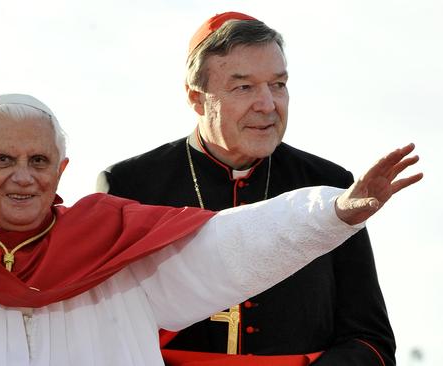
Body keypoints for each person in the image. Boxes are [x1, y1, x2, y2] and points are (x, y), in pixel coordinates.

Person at [0, 63, 420, 366]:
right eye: (2, 159)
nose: (22, 175)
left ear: (63, 171)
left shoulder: (112, 246)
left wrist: (335, 212)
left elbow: (227, 246)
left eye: (39, 159)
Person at [98, 11, 403, 366]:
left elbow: (370, 341)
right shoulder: (130, 186)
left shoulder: (329, 185)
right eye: (244, 87)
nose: (268, 105)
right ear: (197, 98)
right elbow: (106, 333)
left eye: (278, 85)